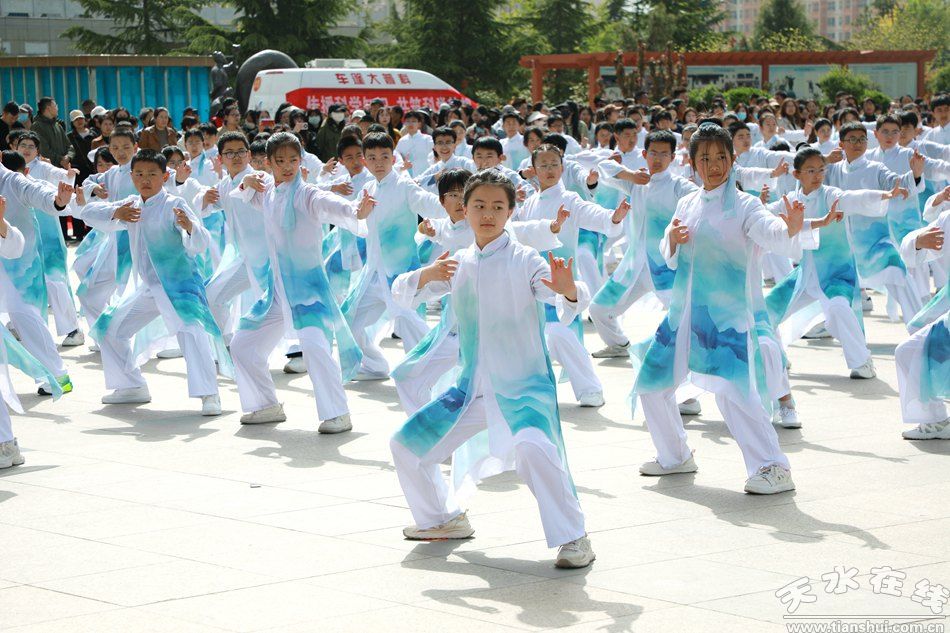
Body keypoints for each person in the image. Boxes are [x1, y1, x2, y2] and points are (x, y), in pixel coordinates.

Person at [389, 169, 595, 569]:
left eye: (498, 207)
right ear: (463, 210)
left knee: (534, 449)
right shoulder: (460, 262)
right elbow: (403, 294)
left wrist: (568, 288)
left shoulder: (525, 259)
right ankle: (442, 518)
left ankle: (574, 537)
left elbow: (563, 294)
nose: (488, 214)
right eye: (479, 205)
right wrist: (425, 274)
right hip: (471, 390)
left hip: (523, 388)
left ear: (510, 212)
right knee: (406, 446)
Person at [632, 123, 815, 495]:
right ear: (693, 163)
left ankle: (773, 467)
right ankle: (675, 455)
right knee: (651, 382)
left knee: (733, 393)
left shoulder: (745, 205)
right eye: (705, 158)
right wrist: (672, 238)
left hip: (726, 319)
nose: (713, 165)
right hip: (682, 314)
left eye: (720, 157)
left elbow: (771, 232)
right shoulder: (688, 202)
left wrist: (791, 228)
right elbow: (668, 250)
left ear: (732, 159)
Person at [229, 132, 375, 431]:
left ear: (300, 160)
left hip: (308, 292)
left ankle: (338, 413)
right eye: (280, 161)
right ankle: (265, 405)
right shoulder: (269, 192)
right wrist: (247, 181)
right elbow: (244, 191)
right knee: (243, 344)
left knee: (316, 348)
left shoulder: (306, 194)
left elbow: (329, 203)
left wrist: (355, 210)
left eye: (293, 160)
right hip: (277, 291)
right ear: (268, 162)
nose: (287, 167)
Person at [79, 149, 226, 415]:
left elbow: (201, 242)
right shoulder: (131, 206)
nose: (145, 180)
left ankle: (209, 395)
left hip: (180, 288)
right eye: (139, 174)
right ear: (132, 176)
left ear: (165, 176)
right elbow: (88, 212)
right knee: (109, 329)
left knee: (192, 334)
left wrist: (189, 227)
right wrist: (116, 213)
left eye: (151, 174)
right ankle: (131, 386)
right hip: (150, 288)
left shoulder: (174, 204)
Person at [766, 147, 908, 379]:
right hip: (805, 275)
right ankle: (776, 357)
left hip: (836, 274)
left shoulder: (831, 195)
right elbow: (763, 215)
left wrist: (884, 195)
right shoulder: (790, 201)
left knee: (839, 307)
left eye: (821, 170)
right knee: (767, 309)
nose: (817, 175)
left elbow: (854, 198)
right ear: (796, 174)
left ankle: (862, 362)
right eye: (810, 170)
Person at [516, 143, 630, 408]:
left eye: (554, 164)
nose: (549, 170)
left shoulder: (569, 199)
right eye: (543, 165)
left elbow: (592, 213)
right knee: (534, 339)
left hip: (563, 281)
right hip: (532, 280)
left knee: (563, 333)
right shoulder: (529, 203)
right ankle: (535, 390)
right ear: (534, 170)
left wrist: (613, 218)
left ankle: (590, 389)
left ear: (562, 167)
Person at [340, 132, 446, 380]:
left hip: (401, 275)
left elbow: (430, 203)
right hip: (373, 273)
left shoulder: (404, 186)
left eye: (384, 156)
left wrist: (457, 207)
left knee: (409, 323)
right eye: (372, 157)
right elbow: (358, 220)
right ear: (365, 160)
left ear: (393, 157)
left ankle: (431, 373)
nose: (379, 162)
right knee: (349, 319)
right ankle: (374, 365)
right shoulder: (367, 189)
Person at [825, 121, 925, 325]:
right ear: (841, 144)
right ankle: (832, 328)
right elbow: (807, 180)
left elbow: (895, 183)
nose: (858, 143)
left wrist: (914, 175)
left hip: (874, 244)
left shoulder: (876, 168)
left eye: (862, 139)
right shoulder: (831, 171)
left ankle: (921, 327)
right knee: (835, 295)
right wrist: (824, 161)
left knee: (899, 272)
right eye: (852, 139)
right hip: (842, 245)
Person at [0, 153, 76, 397]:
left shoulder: (13, 181)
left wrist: (58, 201)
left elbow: (39, 193)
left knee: (26, 317)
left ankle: (57, 375)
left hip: (19, 265)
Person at [897, 186, 949, 439]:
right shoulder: (947, 221)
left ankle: (935, 420)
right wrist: (918, 242)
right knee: (914, 340)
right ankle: (935, 420)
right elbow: (911, 244)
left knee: (909, 350)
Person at [31, 97, 72, 169]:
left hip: (62, 168)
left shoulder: (58, 125)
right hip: (47, 169)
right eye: (55, 106)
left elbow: (69, 146)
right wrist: (61, 160)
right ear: (48, 108)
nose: (57, 109)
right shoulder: (37, 126)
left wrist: (68, 157)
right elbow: (43, 150)